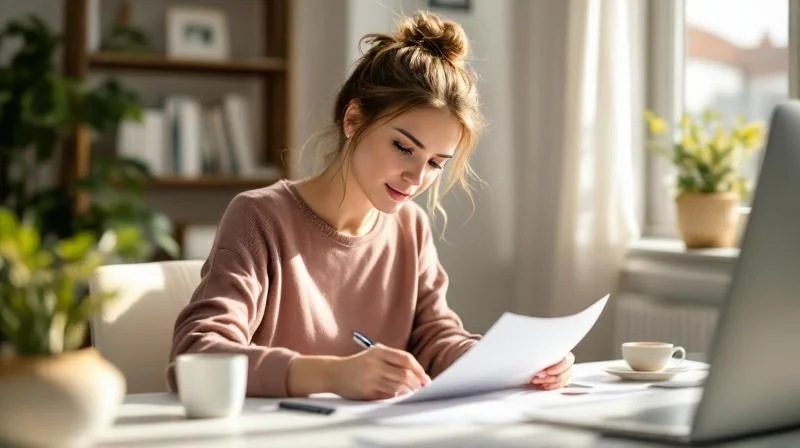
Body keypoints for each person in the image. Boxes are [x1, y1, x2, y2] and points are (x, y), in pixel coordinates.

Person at [167, 11, 574, 401]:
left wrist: (517, 363)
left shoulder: (409, 228)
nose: (416, 179)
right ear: (354, 120)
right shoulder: (260, 217)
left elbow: (435, 338)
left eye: (435, 163)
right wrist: (334, 374)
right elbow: (196, 354)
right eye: (403, 147)